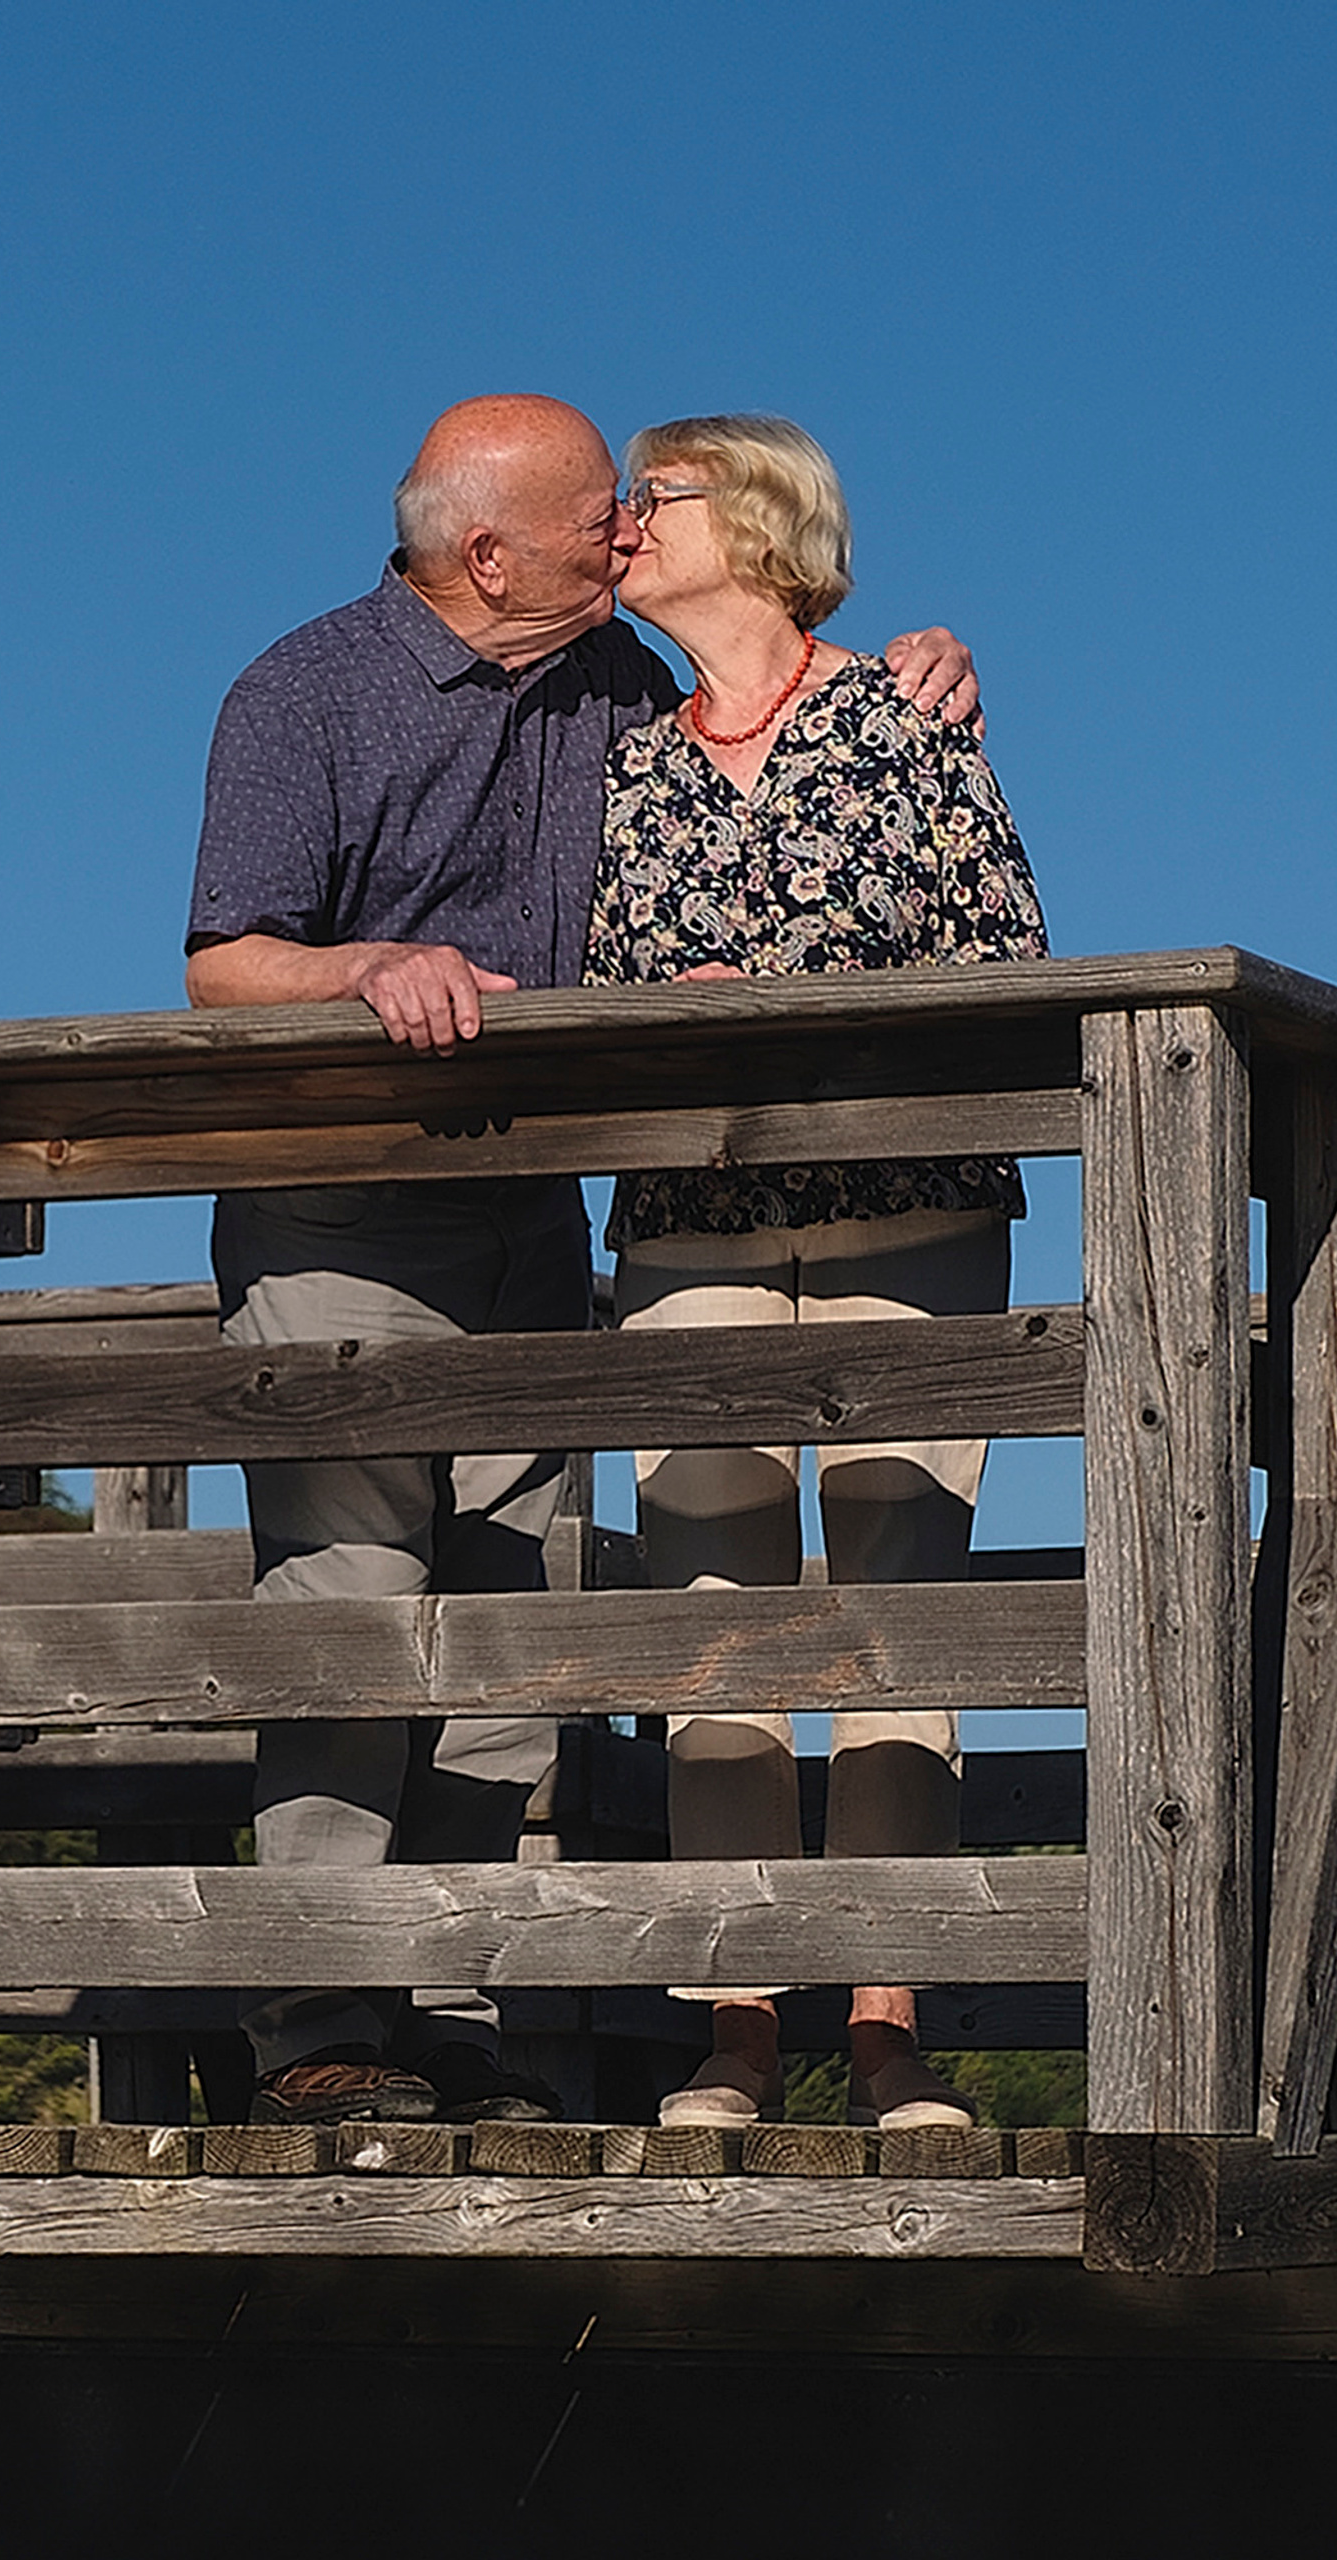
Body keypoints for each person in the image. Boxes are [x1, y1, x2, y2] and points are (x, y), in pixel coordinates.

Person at [184, 394, 981, 2127]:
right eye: (592, 515)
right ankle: (321, 2030)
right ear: (488, 554)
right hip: (342, 1217)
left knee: (507, 1641)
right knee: (346, 1613)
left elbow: (777, 687)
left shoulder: (619, 689)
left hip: (535, 1218)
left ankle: (452, 2028)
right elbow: (225, 963)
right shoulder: (303, 692)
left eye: (641, 505)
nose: (621, 531)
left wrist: (915, 655)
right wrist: (364, 969)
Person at [583, 413, 1047, 2131]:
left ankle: (884, 2030)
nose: (622, 525)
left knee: (890, 1631)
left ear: (758, 522)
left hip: (906, 1216)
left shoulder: (904, 719)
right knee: (714, 1634)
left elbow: (1007, 957)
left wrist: (806, 1015)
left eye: (655, 497)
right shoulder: (614, 752)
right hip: (685, 1232)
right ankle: (735, 2031)